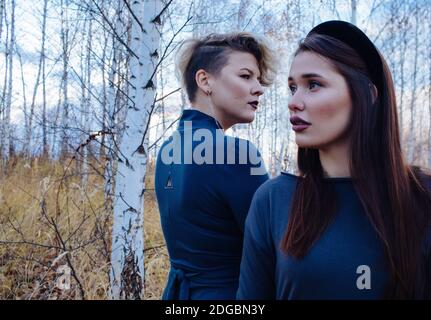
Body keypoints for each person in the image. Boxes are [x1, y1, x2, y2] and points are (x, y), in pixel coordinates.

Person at [237, 20, 431, 300]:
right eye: (293, 87)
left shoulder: (422, 198)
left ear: (368, 94)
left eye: (313, 84)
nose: (293, 101)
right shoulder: (273, 201)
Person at [155, 32, 277, 299]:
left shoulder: (167, 150)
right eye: (246, 76)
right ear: (204, 80)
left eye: (258, 79)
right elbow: (279, 250)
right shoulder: (236, 154)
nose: (258, 88)